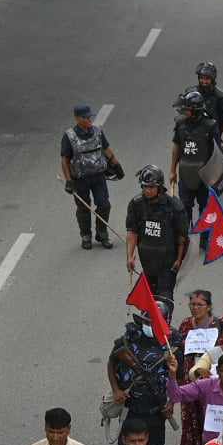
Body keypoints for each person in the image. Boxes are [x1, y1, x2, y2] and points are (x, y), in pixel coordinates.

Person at [60, 104, 122, 250]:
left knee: (104, 205)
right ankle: (85, 235)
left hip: (98, 177)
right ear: (77, 118)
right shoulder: (69, 136)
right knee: (83, 207)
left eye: (90, 117)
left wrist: (117, 165)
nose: (89, 120)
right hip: (80, 179)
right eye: (85, 117)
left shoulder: (97, 132)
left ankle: (102, 233)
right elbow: (65, 160)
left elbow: (106, 149)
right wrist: (68, 180)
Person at [123, 166, 188, 303]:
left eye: (152, 187)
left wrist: (179, 259)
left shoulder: (174, 206)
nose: (148, 190)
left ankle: (163, 323)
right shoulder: (136, 205)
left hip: (168, 262)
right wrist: (130, 256)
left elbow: (182, 236)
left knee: (164, 299)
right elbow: (132, 231)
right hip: (147, 261)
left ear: (159, 187)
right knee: (150, 299)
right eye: (145, 187)